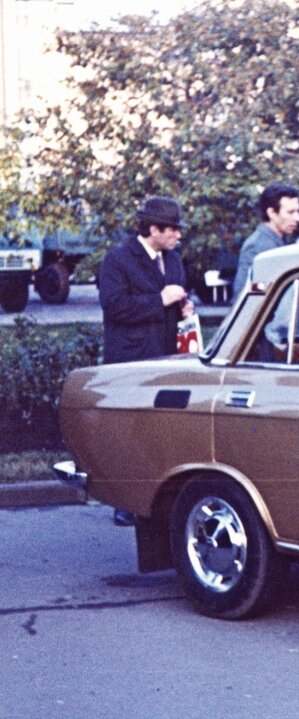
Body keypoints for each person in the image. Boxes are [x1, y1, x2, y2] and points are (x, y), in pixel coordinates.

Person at [97, 195, 194, 525]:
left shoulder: (174, 259)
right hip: (133, 362)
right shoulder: (118, 260)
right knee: (131, 433)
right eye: (173, 230)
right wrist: (159, 299)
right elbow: (114, 307)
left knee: (159, 432)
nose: (178, 237)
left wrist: (185, 307)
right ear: (154, 228)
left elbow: (179, 293)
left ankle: (155, 500)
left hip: (167, 359)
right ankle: (125, 502)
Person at [232, 183, 299, 297]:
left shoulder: (281, 242)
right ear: (272, 213)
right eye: (290, 212)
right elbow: (245, 294)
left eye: (297, 211)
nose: (297, 218)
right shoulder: (256, 247)